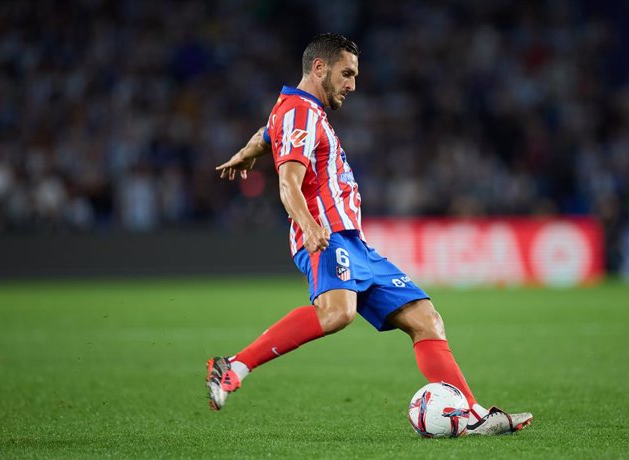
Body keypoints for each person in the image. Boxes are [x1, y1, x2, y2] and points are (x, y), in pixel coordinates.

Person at [210, 33, 532, 435]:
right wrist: (310, 227)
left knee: (426, 319)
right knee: (337, 313)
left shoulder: (298, 110)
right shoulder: (299, 112)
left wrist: (247, 150)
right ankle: (232, 367)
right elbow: (287, 181)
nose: (352, 85)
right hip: (328, 236)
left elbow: (269, 135)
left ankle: (475, 415)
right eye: (346, 74)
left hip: (355, 242)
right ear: (319, 68)